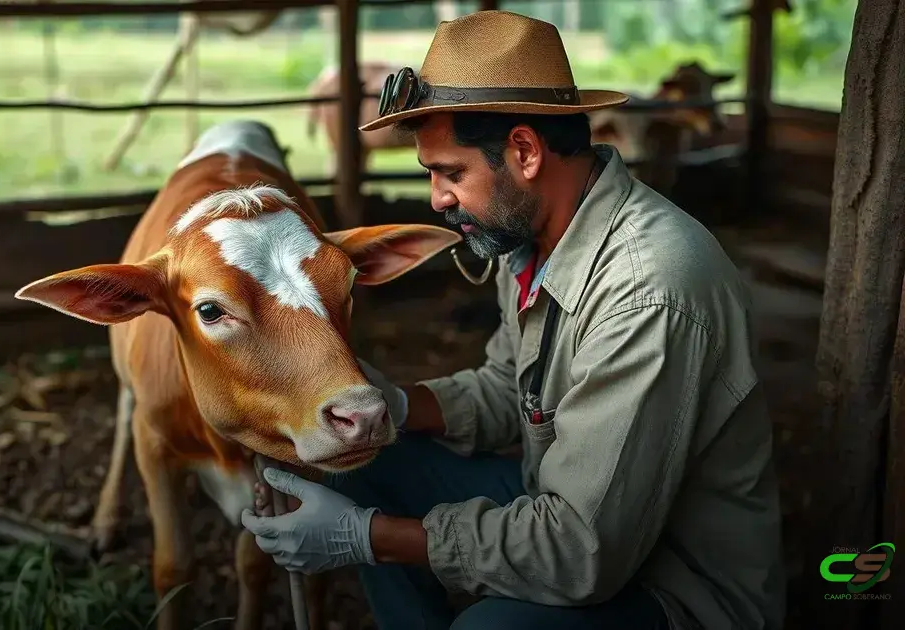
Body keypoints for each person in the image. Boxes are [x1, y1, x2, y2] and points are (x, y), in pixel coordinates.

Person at [240, 10, 786, 630]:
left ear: (524, 151)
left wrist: (365, 538)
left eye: (451, 173)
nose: (436, 200)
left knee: (487, 628)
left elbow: (582, 550)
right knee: (367, 455)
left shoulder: (647, 290)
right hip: (559, 499)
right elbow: (512, 387)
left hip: (673, 579)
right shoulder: (527, 235)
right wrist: (392, 404)